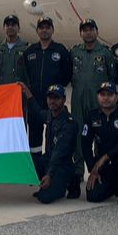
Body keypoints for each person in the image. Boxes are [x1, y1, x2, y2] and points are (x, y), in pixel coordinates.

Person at [23, 17, 72, 174]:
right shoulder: (30, 52)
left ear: (52, 30)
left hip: (54, 103)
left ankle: (53, 168)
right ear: (37, 30)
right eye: (41, 27)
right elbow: (25, 74)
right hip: (35, 102)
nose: (44, 30)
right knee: (35, 138)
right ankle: (35, 170)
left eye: (47, 27)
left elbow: (67, 74)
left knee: (54, 136)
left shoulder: (60, 50)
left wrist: (57, 92)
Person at [70, 18, 114, 191]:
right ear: (81, 33)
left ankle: (99, 168)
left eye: (91, 29)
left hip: (98, 99)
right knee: (79, 132)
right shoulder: (74, 52)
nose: (88, 32)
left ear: (96, 31)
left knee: (99, 133)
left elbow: (112, 76)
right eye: (85, 30)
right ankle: (79, 168)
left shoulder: (105, 53)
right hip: (78, 98)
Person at [80, 82, 118, 203]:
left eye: (110, 94)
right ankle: (112, 186)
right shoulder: (92, 116)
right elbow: (85, 144)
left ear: (117, 97)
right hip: (103, 166)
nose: (105, 98)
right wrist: (92, 168)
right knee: (92, 196)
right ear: (97, 96)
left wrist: (105, 157)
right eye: (102, 94)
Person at [24, 84, 79, 205]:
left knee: (44, 197)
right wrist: (27, 93)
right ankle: (49, 182)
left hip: (61, 165)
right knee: (25, 162)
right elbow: (37, 111)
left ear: (64, 100)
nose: (52, 101)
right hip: (48, 160)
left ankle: (70, 182)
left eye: (56, 98)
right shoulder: (49, 115)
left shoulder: (69, 124)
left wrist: (49, 174)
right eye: (50, 98)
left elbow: (59, 153)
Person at [0, 14, 30, 85]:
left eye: (13, 25)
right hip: (2, 89)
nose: (10, 27)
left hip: (18, 90)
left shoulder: (26, 48)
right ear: (4, 28)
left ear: (19, 28)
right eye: (7, 25)